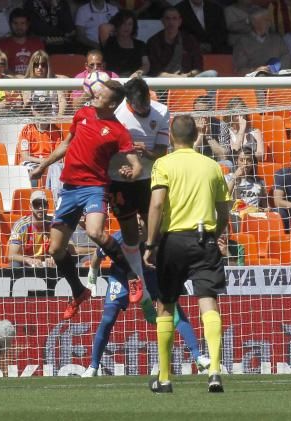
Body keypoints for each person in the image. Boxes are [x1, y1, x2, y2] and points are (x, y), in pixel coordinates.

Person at [29, 80, 143, 320]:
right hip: (69, 189)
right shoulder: (82, 114)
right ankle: (79, 291)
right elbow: (66, 144)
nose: (95, 95)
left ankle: (132, 276)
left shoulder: (118, 131)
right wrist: (43, 165)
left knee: (95, 232)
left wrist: (131, 172)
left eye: (101, 95)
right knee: (56, 249)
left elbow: (136, 164)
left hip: (94, 188)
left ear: (111, 104)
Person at [143, 114, 230, 393]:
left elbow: (156, 205)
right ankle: (215, 371)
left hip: (172, 241)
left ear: (170, 136)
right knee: (208, 301)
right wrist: (215, 235)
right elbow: (224, 210)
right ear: (195, 137)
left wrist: (150, 243)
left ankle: (165, 378)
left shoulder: (163, 164)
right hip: (204, 238)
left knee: (165, 305)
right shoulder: (212, 166)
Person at [82, 223, 211, 378]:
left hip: (150, 275)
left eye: (141, 218)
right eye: (134, 218)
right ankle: (93, 366)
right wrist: (92, 280)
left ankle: (198, 357)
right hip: (122, 278)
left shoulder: (158, 236)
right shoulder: (119, 236)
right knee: (108, 318)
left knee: (174, 309)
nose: (138, 223)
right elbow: (98, 255)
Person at [106, 77, 171, 300]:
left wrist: (146, 153)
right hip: (119, 179)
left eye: (146, 105)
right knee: (130, 234)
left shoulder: (161, 111)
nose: (143, 110)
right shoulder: (116, 114)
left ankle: (164, 277)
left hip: (147, 179)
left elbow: (162, 151)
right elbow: (106, 148)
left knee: (156, 230)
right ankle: (137, 280)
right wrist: (121, 164)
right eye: (138, 107)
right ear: (129, 102)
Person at [147, 8, 206, 78]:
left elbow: (198, 68)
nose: (171, 22)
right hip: (163, 81)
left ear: (180, 21)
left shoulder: (190, 40)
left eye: (174, 18)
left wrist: (187, 75)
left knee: (212, 73)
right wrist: (173, 77)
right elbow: (154, 70)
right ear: (162, 21)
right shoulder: (153, 42)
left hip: (187, 79)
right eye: (167, 19)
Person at [8, 190, 61, 267]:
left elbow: (63, 247)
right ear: (30, 207)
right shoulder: (21, 225)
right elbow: (11, 255)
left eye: (43, 204)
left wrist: (54, 257)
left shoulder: (54, 224)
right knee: (14, 264)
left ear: (47, 206)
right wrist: (29, 260)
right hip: (26, 264)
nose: (40, 208)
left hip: (47, 263)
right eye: (36, 204)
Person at [18, 94, 64, 181]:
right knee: (28, 168)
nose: (42, 112)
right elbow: (25, 156)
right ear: (33, 110)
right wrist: (42, 161)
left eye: (45, 109)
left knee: (57, 168)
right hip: (33, 162)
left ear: (50, 110)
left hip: (51, 163)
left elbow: (59, 157)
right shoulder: (26, 130)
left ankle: (54, 193)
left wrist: (45, 162)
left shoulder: (56, 131)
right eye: (39, 109)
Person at [233, 9, 291, 75]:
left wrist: (276, 69)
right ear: (255, 23)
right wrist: (257, 70)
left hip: (277, 79)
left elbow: (287, 58)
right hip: (255, 82)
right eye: (266, 20)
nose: (269, 23)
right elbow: (240, 70)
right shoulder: (242, 42)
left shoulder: (277, 39)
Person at [99, 10, 149, 77]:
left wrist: (137, 74)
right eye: (123, 23)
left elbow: (146, 64)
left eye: (130, 24)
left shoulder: (140, 44)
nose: (126, 27)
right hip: (113, 82)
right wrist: (116, 27)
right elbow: (103, 27)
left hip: (134, 82)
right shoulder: (109, 42)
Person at [0, 8, 44, 76]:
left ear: (27, 25)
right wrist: (17, 78)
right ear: (10, 24)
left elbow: (43, 66)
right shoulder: (1, 45)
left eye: (22, 23)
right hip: (10, 84)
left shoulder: (37, 44)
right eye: (15, 23)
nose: (19, 27)